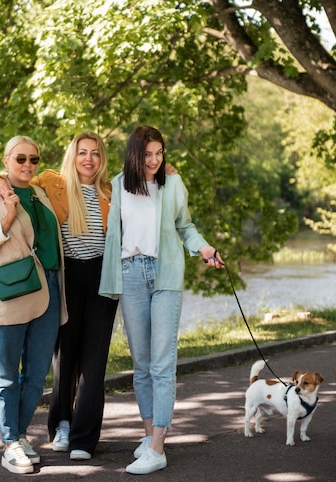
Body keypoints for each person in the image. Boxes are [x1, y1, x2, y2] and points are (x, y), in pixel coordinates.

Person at [99, 125, 225, 475]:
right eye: (147, 154)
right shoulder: (119, 184)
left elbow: (185, 226)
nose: (154, 160)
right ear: (134, 154)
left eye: (159, 153)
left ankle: (158, 447)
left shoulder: (173, 183)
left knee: (161, 363)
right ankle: (148, 436)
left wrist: (203, 248)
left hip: (165, 274)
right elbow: (113, 235)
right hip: (130, 275)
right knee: (140, 364)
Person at [0, 132, 118, 460]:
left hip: (102, 276)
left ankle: (84, 439)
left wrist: (166, 168)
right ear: (72, 155)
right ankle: (61, 424)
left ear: (102, 159)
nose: (89, 159)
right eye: (82, 152)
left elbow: (144, 179)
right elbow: (13, 176)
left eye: (95, 154)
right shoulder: (51, 182)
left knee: (94, 361)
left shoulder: (112, 191)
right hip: (66, 274)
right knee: (64, 357)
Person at [0, 136, 68, 475]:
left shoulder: (40, 192)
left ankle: (21, 435)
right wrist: (8, 218)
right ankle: (10, 442)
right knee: (6, 375)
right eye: (20, 159)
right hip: (12, 292)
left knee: (37, 373)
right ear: (6, 160)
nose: (27, 165)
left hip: (49, 291)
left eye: (34, 160)